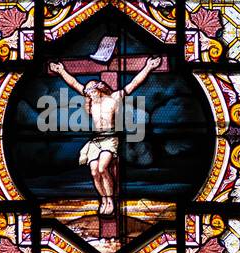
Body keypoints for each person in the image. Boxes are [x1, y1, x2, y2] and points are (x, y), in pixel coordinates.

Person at [49, 56, 163, 216]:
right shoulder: (92, 102)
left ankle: (111, 200)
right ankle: (103, 199)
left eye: (90, 90)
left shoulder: (114, 98)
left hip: (110, 139)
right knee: (94, 171)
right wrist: (61, 71)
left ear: (99, 88)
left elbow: (134, 84)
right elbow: (74, 83)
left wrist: (148, 67)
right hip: (95, 140)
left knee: (103, 167)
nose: (88, 94)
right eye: (87, 92)